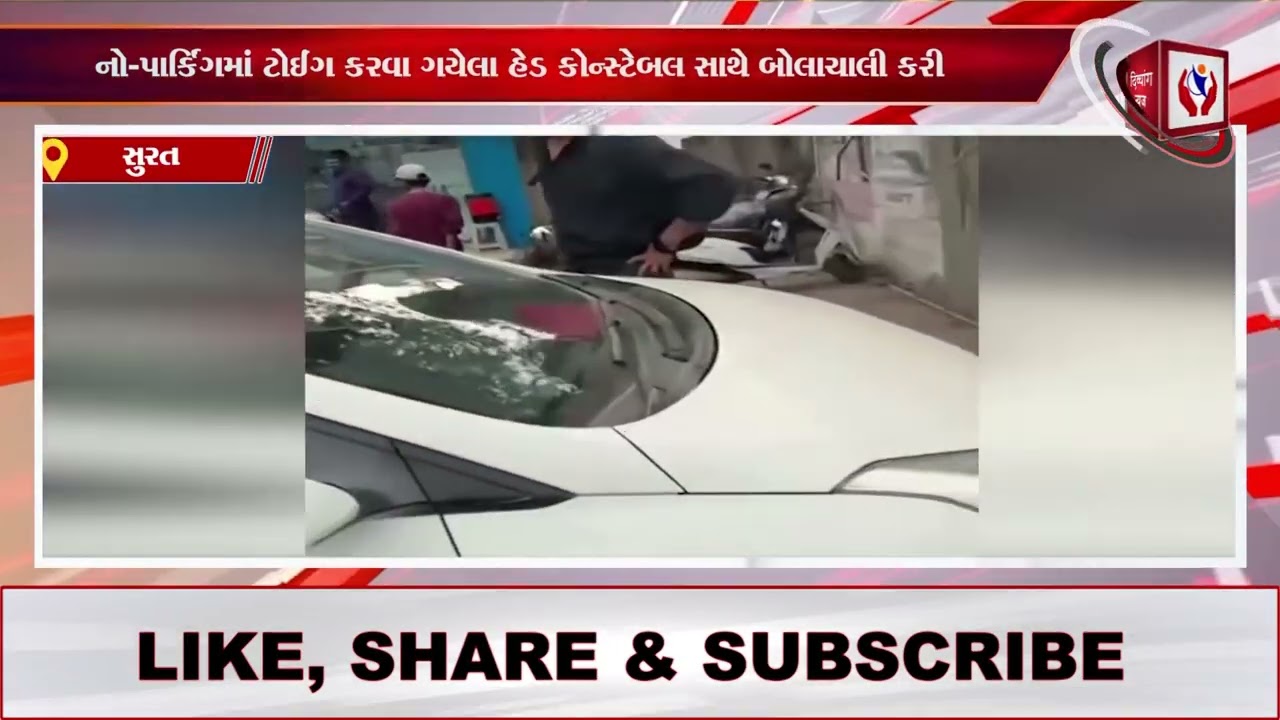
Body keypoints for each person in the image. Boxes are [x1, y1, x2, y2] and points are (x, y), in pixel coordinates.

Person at [531, 136, 737, 277]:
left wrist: (665, 245)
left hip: (631, 275)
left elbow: (714, 184)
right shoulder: (544, 149)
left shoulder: (619, 142)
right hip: (579, 274)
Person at [386, 163, 465, 250]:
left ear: (404, 183)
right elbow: (451, 232)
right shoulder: (446, 200)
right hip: (445, 254)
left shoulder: (396, 206)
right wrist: (449, 253)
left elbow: (397, 235)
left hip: (416, 254)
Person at [324, 149, 380, 231]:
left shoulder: (356, 174)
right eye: (329, 163)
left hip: (359, 217)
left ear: (344, 161)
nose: (331, 166)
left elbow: (367, 188)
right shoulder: (334, 177)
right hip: (341, 218)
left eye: (334, 162)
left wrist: (348, 203)